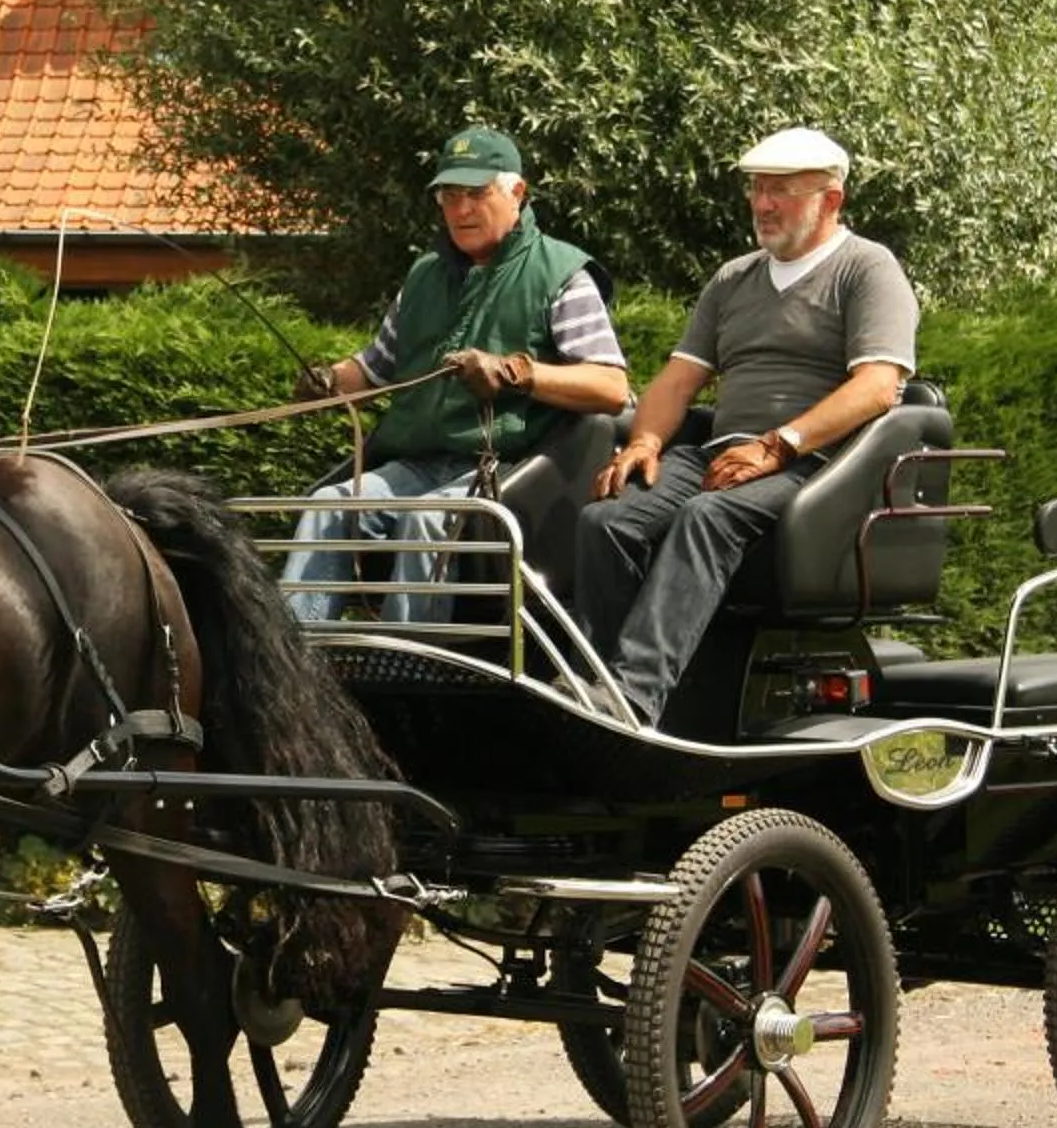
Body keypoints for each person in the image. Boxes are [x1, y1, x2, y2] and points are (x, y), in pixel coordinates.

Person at [573, 126, 919, 727]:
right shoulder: (733, 279)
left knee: (708, 516)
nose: (763, 204)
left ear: (830, 199)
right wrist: (646, 441)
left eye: (781, 191)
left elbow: (878, 386)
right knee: (605, 519)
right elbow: (679, 380)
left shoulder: (867, 269)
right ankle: (597, 684)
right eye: (757, 189)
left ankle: (632, 698)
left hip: (820, 463)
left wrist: (780, 444)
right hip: (721, 450)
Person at [283, 127, 632, 624]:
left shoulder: (561, 274)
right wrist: (329, 380)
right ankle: (296, 662)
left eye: (477, 194)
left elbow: (611, 388)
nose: (461, 210)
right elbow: (374, 369)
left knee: (426, 518)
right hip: (419, 464)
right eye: (449, 196)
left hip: (508, 471)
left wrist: (515, 373)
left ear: (517, 192)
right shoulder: (424, 276)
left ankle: (410, 666)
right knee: (328, 505)